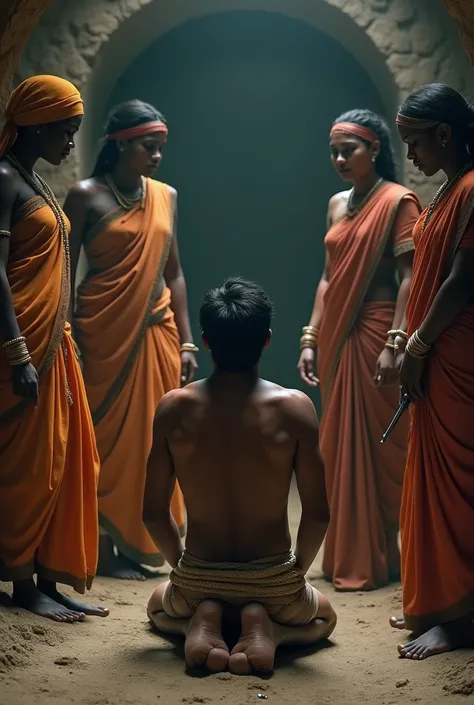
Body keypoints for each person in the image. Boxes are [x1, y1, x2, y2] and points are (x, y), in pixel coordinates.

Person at [143, 278, 336, 675]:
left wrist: (181, 567)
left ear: (207, 341)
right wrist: (292, 575)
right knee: (326, 619)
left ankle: (197, 621)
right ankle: (272, 632)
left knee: (156, 608)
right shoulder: (295, 409)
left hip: (197, 577)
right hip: (273, 581)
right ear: (266, 340)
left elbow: (153, 512)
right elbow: (318, 514)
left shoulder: (173, 409)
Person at [64, 100, 195, 580]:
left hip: (155, 329)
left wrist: (186, 341)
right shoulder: (84, 195)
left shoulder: (166, 195)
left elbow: (175, 273)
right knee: (98, 436)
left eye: (160, 148)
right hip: (99, 330)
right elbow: (62, 267)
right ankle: (101, 545)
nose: (157, 156)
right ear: (120, 143)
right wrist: (64, 328)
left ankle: (142, 539)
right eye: (148, 146)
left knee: (152, 439)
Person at [297, 110, 421, 591]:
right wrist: (310, 336)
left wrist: (397, 342)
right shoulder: (335, 204)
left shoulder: (397, 202)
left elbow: (410, 276)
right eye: (334, 151)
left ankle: (383, 554)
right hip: (337, 339)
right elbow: (328, 278)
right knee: (339, 444)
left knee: (381, 445)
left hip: (376, 331)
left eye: (349, 149)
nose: (340, 159)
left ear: (375, 150)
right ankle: (347, 555)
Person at [0, 75, 108, 622]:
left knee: (67, 458)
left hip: (53, 343)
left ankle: (49, 576)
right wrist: (17, 351)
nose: (70, 143)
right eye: (65, 132)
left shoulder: (33, 181)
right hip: (19, 342)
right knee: (28, 467)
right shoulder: (2, 180)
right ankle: (22, 584)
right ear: (36, 125)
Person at [389, 83, 474, 660]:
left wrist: (416, 346)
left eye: (415, 143)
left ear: (444, 135)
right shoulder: (447, 190)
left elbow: (463, 281)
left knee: (459, 485)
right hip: (436, 353)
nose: (412, 156)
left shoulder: (471, 190)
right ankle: (437, 601)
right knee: (432, 480)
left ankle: (461, 618)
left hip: (456, 354)